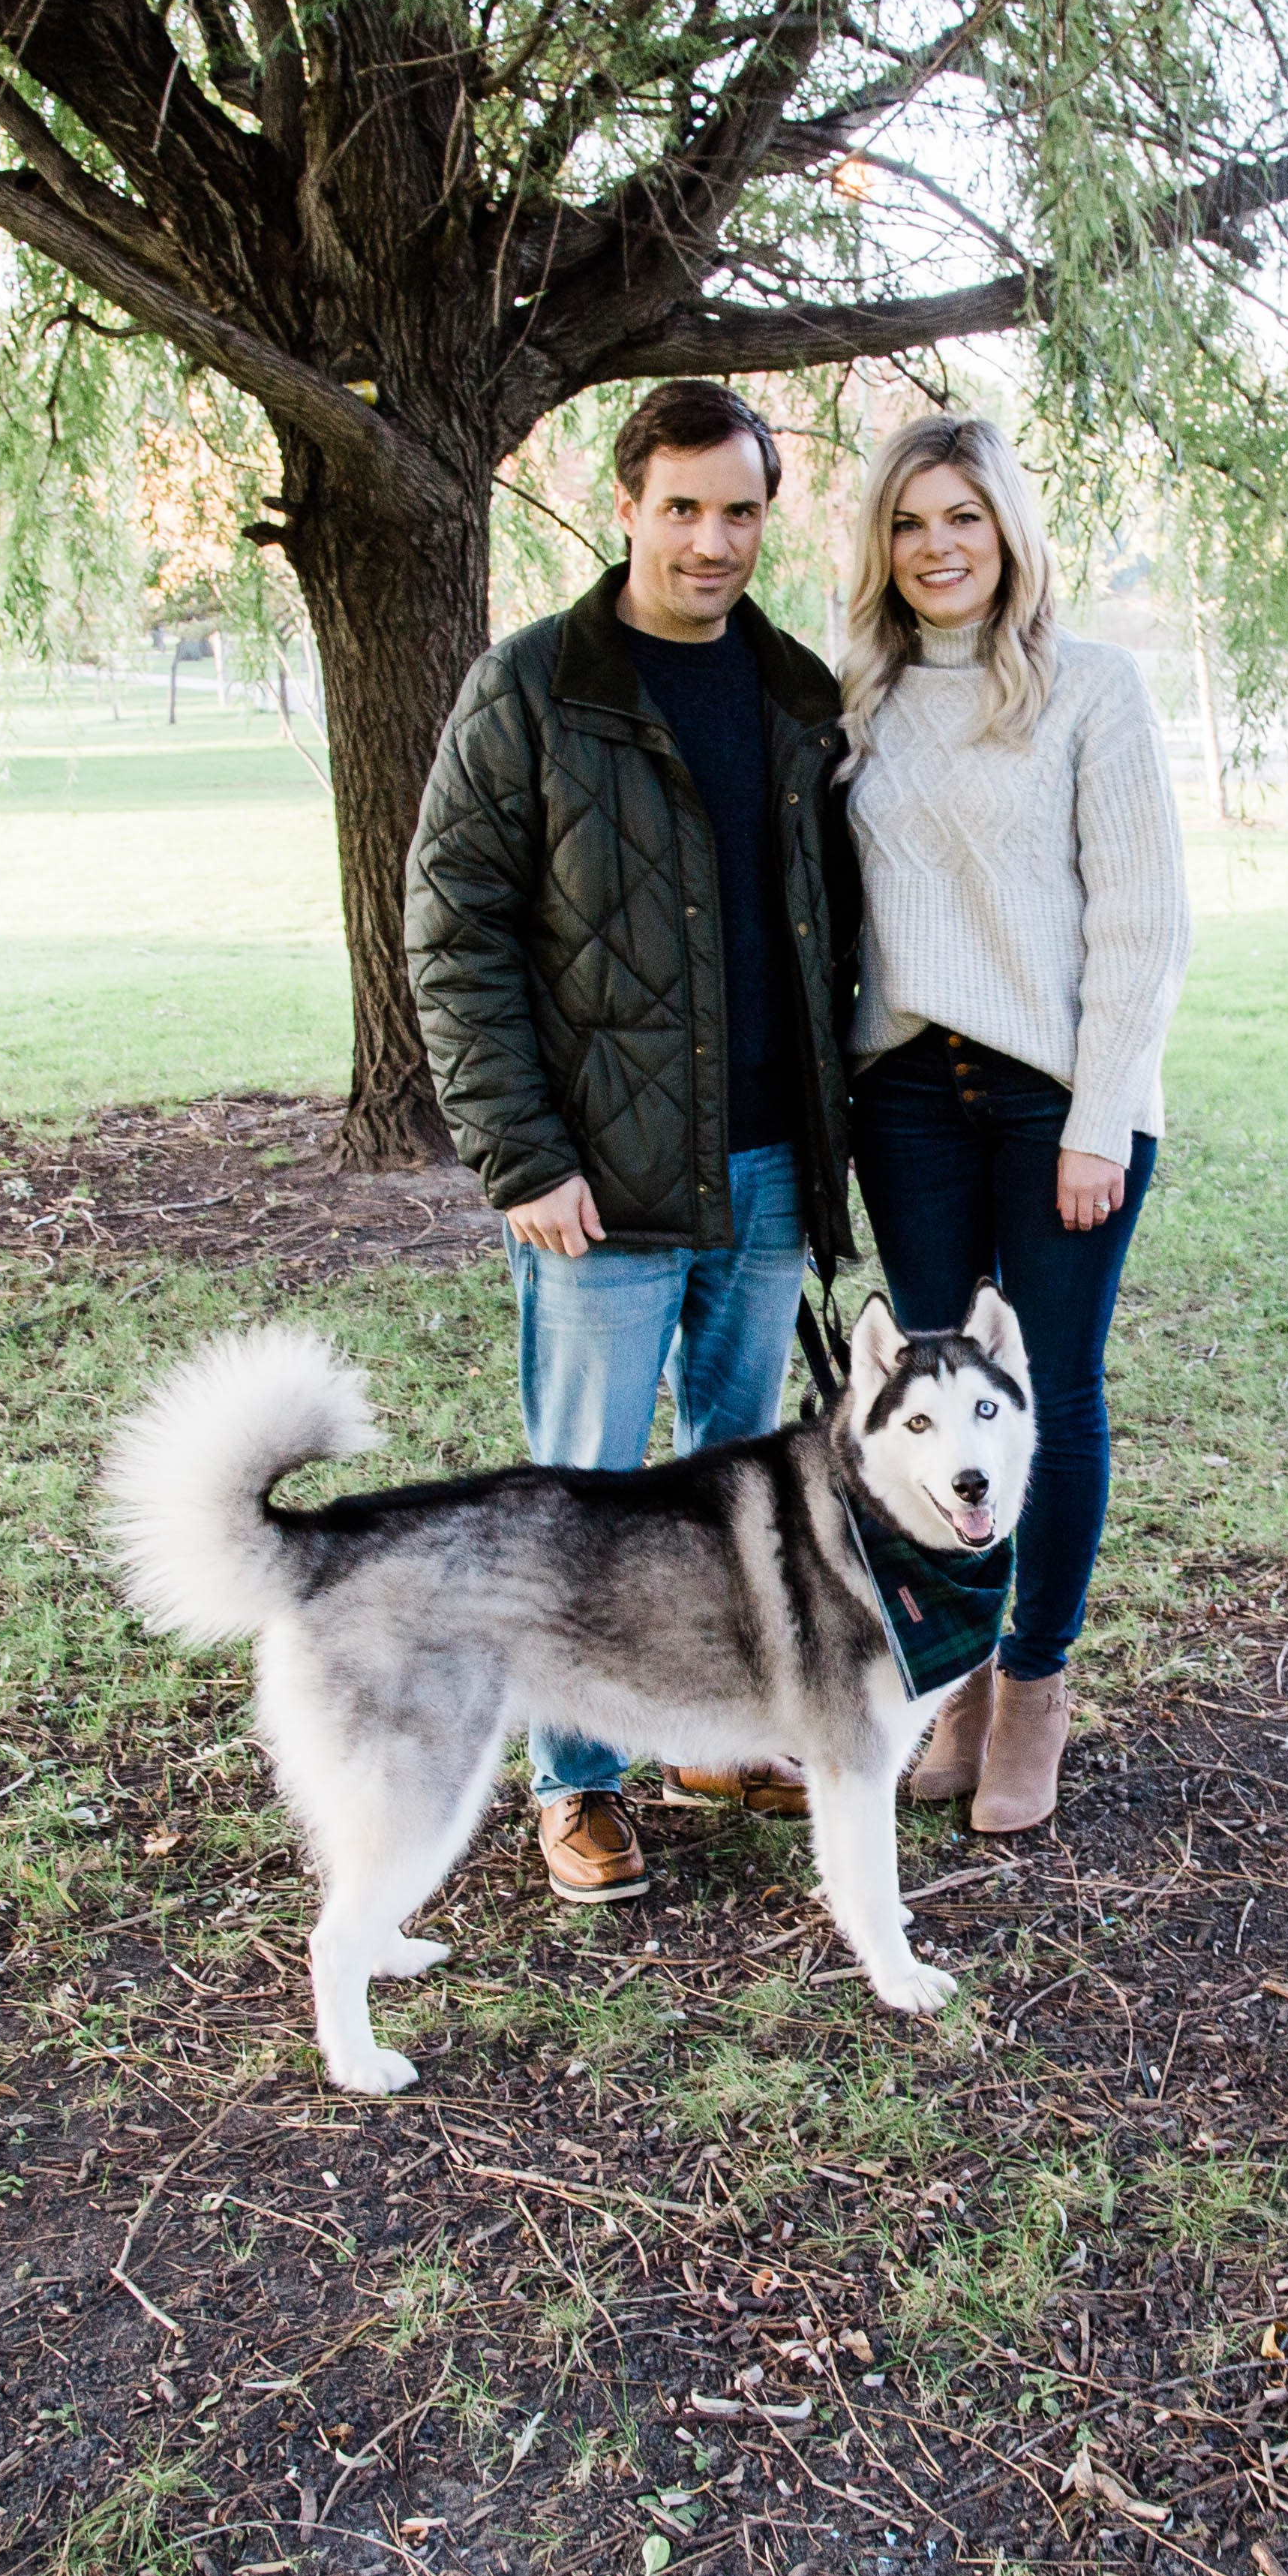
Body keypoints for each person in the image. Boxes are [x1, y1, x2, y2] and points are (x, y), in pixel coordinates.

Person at [403, 377, 863, 1905]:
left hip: (770, 1165)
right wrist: (521, 1155)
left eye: (740, 510)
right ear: (625, 507)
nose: (713, 539)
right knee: (581, 1494)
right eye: (683, 508)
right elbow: (454, 931)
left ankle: (711, 1731)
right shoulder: (534, 687)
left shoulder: (798, 696)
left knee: (738, 1487)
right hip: (597, 1175)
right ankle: (572, 1781)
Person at [834, 413, 1190, 1833]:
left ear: (1009, 533)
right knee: (937, 1414)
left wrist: (1101, 1117)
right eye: (911, 524)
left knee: (1050, 1395)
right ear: (884, 546)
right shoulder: (854, 697)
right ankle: (963, 1672)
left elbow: (1144, 920)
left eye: (963, 519)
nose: (938, 549)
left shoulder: (1091, 688)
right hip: (907, 1099)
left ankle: (1036, 1683)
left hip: (1059, 1101)